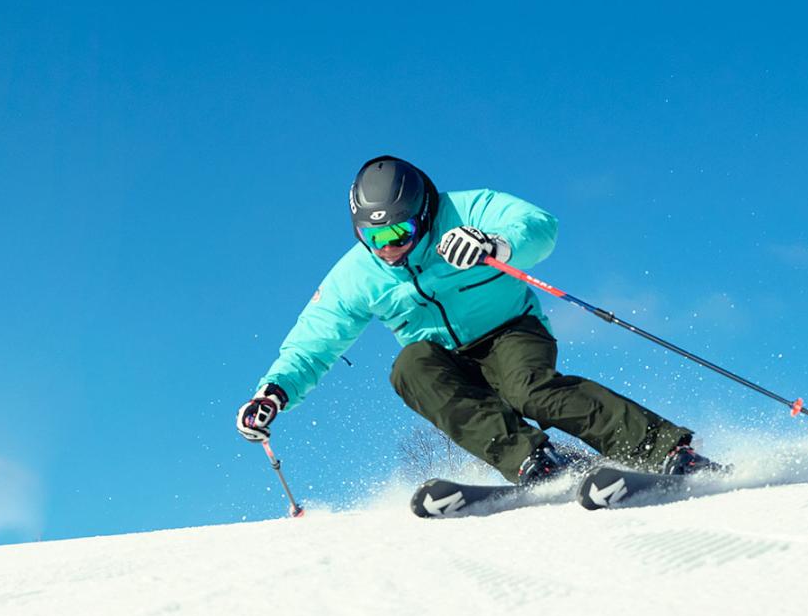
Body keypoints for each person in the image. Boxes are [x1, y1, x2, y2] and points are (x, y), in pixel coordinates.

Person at [236, 155, 713, 485]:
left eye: (400, 231)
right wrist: (273, 393)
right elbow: (314, 342)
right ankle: (535, 462)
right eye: (373, 234)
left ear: (424, 212)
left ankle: (666, 451)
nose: (388, 246)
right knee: (409, 367)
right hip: (447, 359)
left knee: (530, 390)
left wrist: (493, 244)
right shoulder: (357, 275)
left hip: (510, 331)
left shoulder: (468, 208)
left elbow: (539, 226)